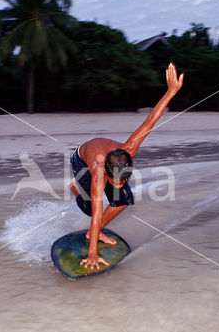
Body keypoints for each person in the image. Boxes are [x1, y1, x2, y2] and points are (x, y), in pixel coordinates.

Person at [68, 63, 184, 270]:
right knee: (89, 207)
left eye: (124, 181)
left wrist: (171, 91)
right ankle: (75, 188)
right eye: (114, 182)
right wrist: (92, 254)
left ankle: (94, 232)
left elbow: (150, 120)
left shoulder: (129, 149)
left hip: (108, 158)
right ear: (105, 173)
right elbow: (96, 215)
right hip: (82, 160)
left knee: (123, 200)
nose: (119, 185)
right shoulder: (97, 172)